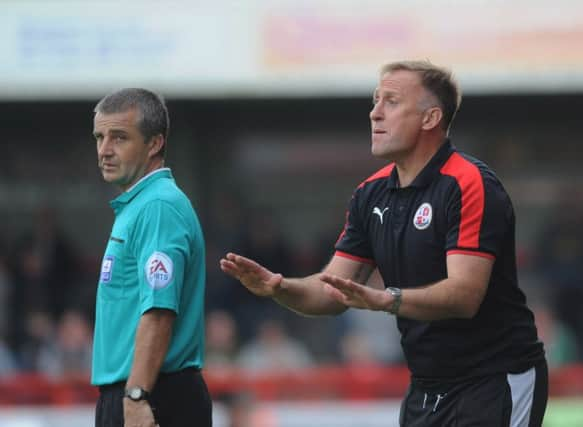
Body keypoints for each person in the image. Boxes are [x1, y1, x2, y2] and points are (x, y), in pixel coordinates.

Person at [221, 60, 548, 427]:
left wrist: (386, 299)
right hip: (426, 387)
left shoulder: (470, 183)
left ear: (430, 118)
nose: (375, 113)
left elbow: (464, 296)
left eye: (391, 102)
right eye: (375, 101)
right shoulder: (370, 194)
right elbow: (331, 292)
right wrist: (279, 287)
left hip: (495, 379)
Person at [91, 88, 211, 427]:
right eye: (100, 137)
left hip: (154, 395)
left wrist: (137, 396)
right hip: (139, 391)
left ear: (154, 143)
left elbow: (159, 310)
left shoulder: (157, 207)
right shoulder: (140, 205)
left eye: (119, 138)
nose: (104, 150)